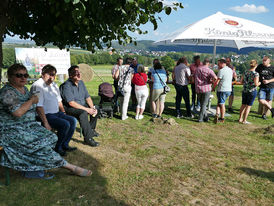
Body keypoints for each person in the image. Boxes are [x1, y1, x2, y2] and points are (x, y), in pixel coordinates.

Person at [0, 64, 91, 178]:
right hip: (12, 130)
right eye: (19, 75)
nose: (23, 78)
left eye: (25, 75)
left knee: (52, 138)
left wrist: (62, 112)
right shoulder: (7, 92)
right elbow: (18, 112)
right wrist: (32, 100)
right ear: (9, 77)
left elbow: (52, 102)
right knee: (41, 144)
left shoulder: (25, 89)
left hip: (28, 126)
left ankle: (32, 167)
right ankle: (69, 167)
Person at [31, 64, 77, 156]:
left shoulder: (54, 85)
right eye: (50, 74)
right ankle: (57, 147)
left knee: (73, 120)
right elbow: (38, 107)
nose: (52, 77)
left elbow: (59, 101)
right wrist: (46, 123)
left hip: (56, 113)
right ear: (43, 74)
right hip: (44, 115)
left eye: (54, 75)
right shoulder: (37, 86)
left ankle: (65, 144)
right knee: (65, 124)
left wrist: (63, 112)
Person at [60, 65, 99, 147]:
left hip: (81, 105)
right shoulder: (66, 85)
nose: (79, 75)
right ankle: (88, 138)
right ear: (70, 75)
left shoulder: (81, 83)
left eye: (79, 72)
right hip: (70, 108)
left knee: (96, 108)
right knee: (83, 113)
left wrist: (92, 108)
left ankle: (91, 130)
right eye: (76, 73)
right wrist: (87, 109)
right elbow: (71, 103)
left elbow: (87, 97)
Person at [237, 60, 260, 124]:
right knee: (248, 106)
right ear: (256, 65)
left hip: (244, 90)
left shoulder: (245, 72)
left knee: (243, 105)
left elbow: (241, 82)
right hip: (252, 91)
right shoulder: (256, 74)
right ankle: (244, 120)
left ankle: (240, 119)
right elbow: (256, 84)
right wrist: (259, 83)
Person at [212, 59, 233, 123]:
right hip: (229, 89)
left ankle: (222, 118)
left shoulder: (221, 71)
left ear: (222, 63)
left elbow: (217, 81)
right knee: (219, 103)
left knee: (222, 104)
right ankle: (217, 114)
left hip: (222, 89)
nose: (218, 65)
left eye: (218, 64)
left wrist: (213, 88)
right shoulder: (230, 70)